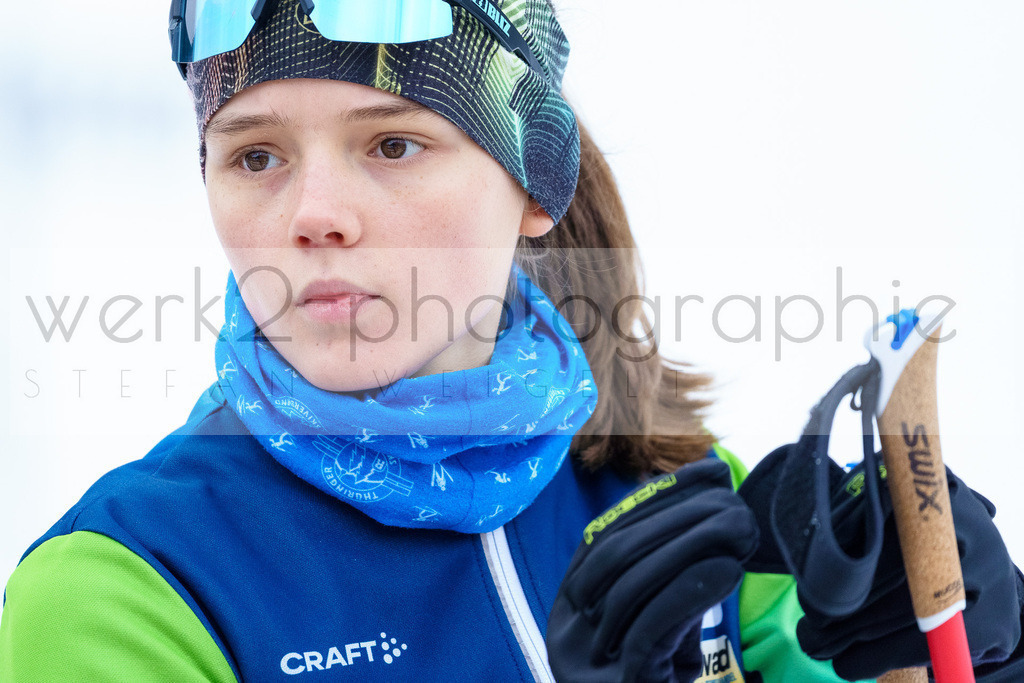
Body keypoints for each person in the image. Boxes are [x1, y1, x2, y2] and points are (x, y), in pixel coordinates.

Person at [1, 1, 1021, 681]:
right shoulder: (124, 585)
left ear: (537, 182)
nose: (313, 212)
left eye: (392, 142)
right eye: (255, 152)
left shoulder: (684, 502)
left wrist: (948, 649)